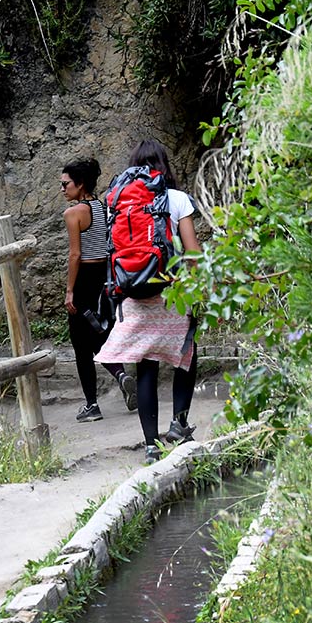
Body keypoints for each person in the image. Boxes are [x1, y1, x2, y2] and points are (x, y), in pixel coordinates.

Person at [94, 139, 202, 464]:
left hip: (134, 291)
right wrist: (197, 288)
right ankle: (179, 424)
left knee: (146, 366)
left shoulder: (120, 202)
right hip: (172, 290)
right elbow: (193, 251)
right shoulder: (178, 200)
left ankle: (151, 446)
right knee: (186, 355)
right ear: (164, 165)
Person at [60, 157, 137, 422]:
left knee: (81, 345)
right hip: (104, 278)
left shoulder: (73, 214)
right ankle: (121, 374)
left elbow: (74, 255)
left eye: (66, 183)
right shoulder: (103, 208)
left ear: (80, 184)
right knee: (99, 333)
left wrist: (70, 291)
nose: (63, 189)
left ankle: (92, 405)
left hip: (83, 278)